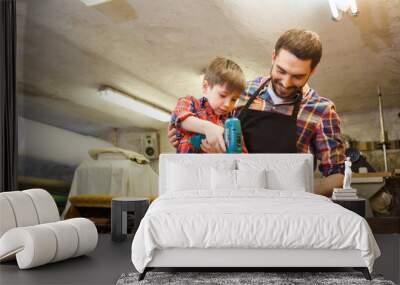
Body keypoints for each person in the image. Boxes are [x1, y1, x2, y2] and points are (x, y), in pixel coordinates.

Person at [168, 29, 345, 196]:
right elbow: (205, 118)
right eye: (280, 71)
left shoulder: (322, 110)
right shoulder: (240, 93)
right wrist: (184, 134)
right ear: (273, 57)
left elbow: (337, 176)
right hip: (238, 196)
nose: (286, 82)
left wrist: (300, 194)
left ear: (312, 71)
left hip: (289, 207)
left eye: (297, 76)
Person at [170, 57, 247, 153]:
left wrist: (220, 155)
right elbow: (179, 117)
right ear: (205, 87)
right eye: (222, 95)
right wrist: (208, 127)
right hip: (185, 166)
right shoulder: (190, 102)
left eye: (234, 99)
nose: (228, 104)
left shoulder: (232, 122)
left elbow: (241, 156)